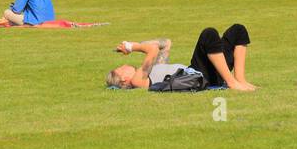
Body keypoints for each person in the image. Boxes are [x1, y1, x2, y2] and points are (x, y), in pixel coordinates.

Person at [106, 24, 254, 91]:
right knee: (209, 34)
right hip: (197, 76)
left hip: (207, 74)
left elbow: (165, 44)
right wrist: (131, 47)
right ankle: (231, 83)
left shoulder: (151, 72)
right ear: (124, 78)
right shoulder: (137, 80)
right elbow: (152, 49)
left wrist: (136, 45)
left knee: (238, 31)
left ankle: (239, 80)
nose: (124, 64)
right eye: (120, 68)